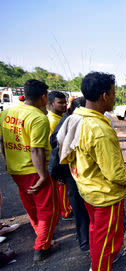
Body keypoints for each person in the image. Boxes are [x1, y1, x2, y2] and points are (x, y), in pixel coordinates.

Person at [59, 72, 126, 271]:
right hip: (104, 194)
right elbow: (116, 174)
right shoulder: (99, 129)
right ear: (103, 96)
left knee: (96, 232)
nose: (114, 97)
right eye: (113, 93)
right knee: (107, 236)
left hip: (88, 188)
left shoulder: (79, 117)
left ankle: (98, 265)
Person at [0, 79, 60, 261]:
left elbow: (2, 142)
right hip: (34, 170)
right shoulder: (38, 118)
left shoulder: (7, 113)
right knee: (49, 210)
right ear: (43, 97)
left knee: (31, 207)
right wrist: (43, 175)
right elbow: (36, 149)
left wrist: (7, 161)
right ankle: (42, 247)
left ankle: (41, 236)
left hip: (16, 170)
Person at [49, 97, 90, 251]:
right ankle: (86, 242)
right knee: (80, 207)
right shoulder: (71, 122)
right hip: (74, 173)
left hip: (72, 172)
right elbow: (56, 144)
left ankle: (85, 238)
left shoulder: (67, 120)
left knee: (81, 208)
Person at [47, 91, 72, 220]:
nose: (64, 105)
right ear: (51, 104)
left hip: (59, 157)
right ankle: (65, 211)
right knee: (62, 184)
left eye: (65, 102)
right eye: (60, 103)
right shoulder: (52, 121)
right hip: (58, 158)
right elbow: (55, 145)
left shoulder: (59, 118)